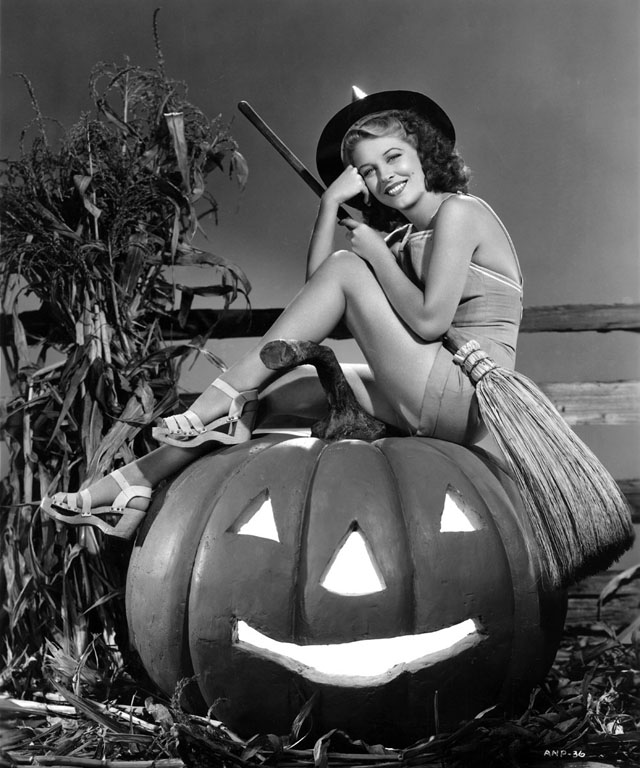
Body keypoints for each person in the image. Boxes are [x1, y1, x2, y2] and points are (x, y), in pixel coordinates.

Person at [41, 89, 523, 539]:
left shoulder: (461, 213)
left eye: (394, 156)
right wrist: (329, 205)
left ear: (424, 153)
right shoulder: (403, 240)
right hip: (428, 387)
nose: (386, 175)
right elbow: (325, 306)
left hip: (465, 393)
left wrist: (373, 255)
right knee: (280, 394)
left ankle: (214, 401)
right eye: (369, 171)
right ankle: (135, 481)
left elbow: (430, 322)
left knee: (343, 270)